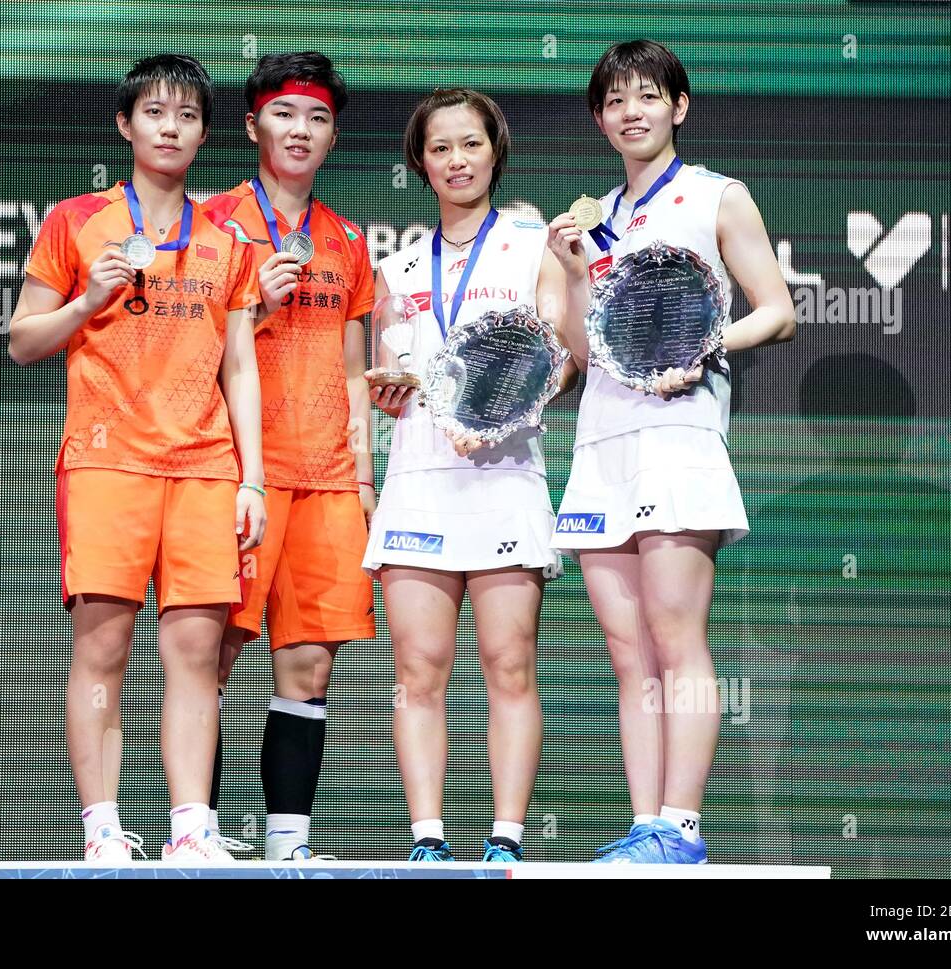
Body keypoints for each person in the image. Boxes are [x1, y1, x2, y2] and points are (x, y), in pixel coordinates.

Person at [9, 54, 266, 863]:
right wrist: (88, 300)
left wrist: (253, 478)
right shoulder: (76, 221)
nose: (170, 128)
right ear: (126, 125)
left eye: (187, 116)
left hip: (204, 467)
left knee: (196, 655)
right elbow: (22, 341)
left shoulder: (227, 238)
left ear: (204, 135)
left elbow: (240, 366)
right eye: (155, 113)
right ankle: (102, 830)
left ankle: (193, 827)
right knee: (103, 651)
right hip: (106, 462)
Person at [546, 39, 796, 863]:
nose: (633, 112)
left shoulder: (718, 196)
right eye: (616, 101)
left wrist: (705, 344)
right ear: (599, 118)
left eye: (648, 96)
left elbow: (778, 310)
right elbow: (583, 352)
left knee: (676, 637)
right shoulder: (593, 219)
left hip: (680, 437)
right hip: (601, 443)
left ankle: (681, 824)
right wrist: (573, 271)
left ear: (678, 107)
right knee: (630, 655)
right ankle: (644, 827)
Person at [366, 88, 578, 863]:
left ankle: (505, 841)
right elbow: (387, 367)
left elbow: (563, 358)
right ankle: (427, 841)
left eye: (470, 144)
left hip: (504, 477)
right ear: (420, 163)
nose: (456, 160)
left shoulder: (533, 248)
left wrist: (503, 401)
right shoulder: (394, 268)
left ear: (496, 152)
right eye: (440, 148)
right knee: (418, 671)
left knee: (509, 663)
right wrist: (387, 387)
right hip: (419, 480)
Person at [201, 52, 376, 862]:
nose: (300, 130)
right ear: (252, 126)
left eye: (317, 118)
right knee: (210, 656)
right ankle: (196, 835)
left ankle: (287, 847)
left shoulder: (347, 239)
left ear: (332, 135)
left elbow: (352, 366)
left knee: (307, 667)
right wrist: (255, 307)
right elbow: (183, 350)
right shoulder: (213, 224)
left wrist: (363, 474)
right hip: (235, 473)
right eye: (284, 114)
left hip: (329, 479)